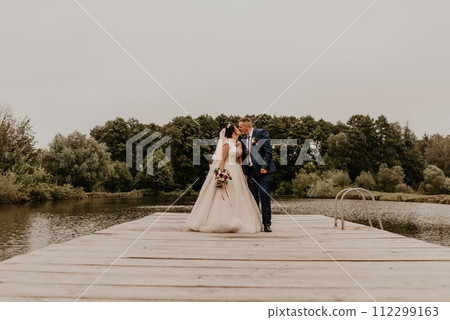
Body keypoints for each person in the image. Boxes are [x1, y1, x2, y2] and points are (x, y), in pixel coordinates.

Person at [184, 124, 263, 233]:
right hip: (226, 168)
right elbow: (221, 160)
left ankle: (239, 219)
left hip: (236, 171)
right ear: (233, 131)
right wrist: (221, 174)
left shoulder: (239, 143)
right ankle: (220, 219)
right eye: (237, 128)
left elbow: (239, 160)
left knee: (238, 194)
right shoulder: (226, 143)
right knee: (224, 194)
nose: (239, 129)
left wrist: (242, 173)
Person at [238, 118, 276, 232]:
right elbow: (244, 157)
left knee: (264, 196)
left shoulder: (261, 133)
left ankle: (267, 224)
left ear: (246, 126)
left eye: (240, 127)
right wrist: (245, 172)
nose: (239, 129)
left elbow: (268, 151)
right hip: (251, 173)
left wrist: (264, 167)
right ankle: (255, 223)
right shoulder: (243, 139)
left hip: (264, 172)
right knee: (253, 198)